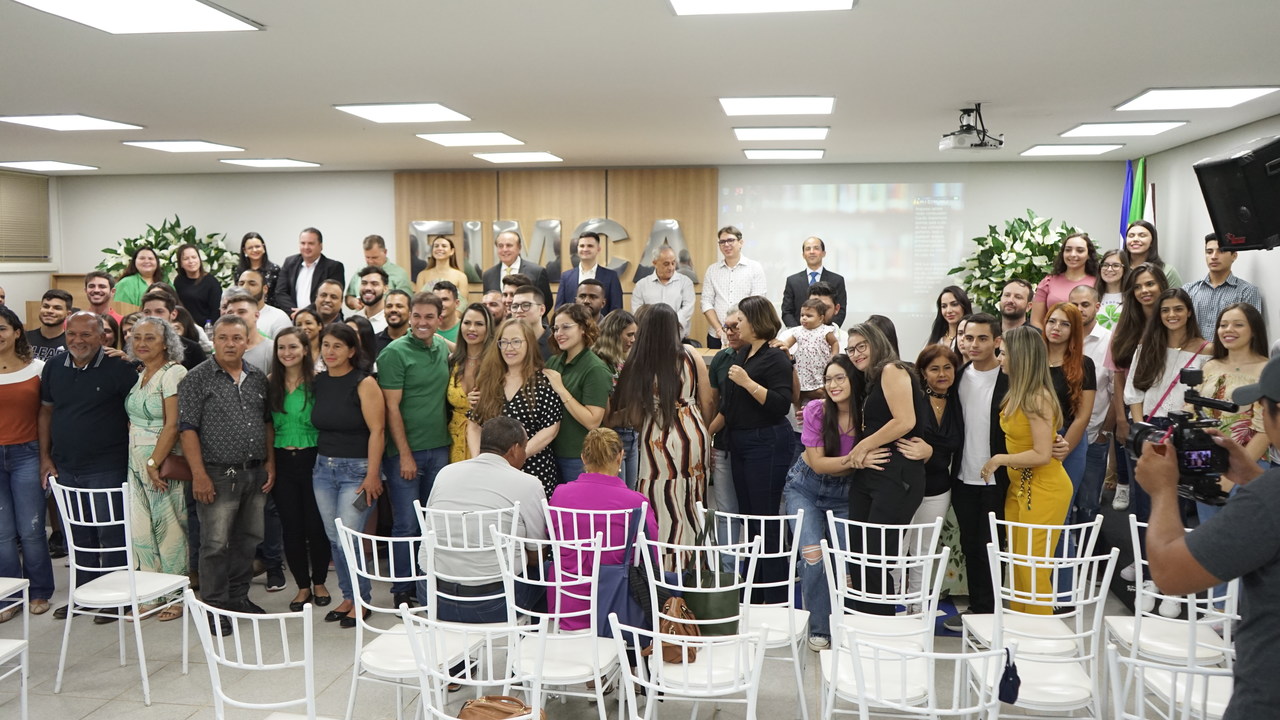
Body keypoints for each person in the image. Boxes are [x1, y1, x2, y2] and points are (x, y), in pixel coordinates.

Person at [1136, 355, 1280, 720]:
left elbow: (1170, 573)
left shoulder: (1269, 500)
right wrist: (1253, 477)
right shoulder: (1268, 494)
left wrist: (1162, 490)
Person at [41, 313, 143, 622]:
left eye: (86, 334)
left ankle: (115, 599)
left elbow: (139, 411)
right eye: (72, 334)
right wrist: (45, 457)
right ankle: (83, 595)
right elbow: (46, 412)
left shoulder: (120, 368)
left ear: (103, 337)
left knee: (111, 534)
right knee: (77, 536)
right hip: (64, 466)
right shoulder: (53, 366)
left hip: (106, 466)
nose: (77, 340)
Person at [781, 355, 885, 650]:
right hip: (805, 487)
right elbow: (818, 464)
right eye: (828, 379)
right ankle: (820, 628)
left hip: (847, 493)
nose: (833, 385)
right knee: (813, 555)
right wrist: (856, 459)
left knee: (847, 562)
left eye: (840, 378)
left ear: (854, 380)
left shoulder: (867, 413)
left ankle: (846, 625)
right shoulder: (817, 409)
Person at [178, 315, 275, 620]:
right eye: (223, 338)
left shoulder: (257, 377)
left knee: (248, 540)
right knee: (215, 544)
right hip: (217, 473)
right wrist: (199, 475)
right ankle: (214, 606)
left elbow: (267, 423)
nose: (230, 344)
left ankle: (238, 598)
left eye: (236, 338)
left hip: (254, 471)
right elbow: (187, 430)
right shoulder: (197, 378)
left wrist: (270, 462)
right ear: (214, 340)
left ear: (247, 342)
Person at [980, 326, 1072, 615]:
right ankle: (1020, 628)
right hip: (1020, 487)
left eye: (1004, 353)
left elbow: (1042, 454)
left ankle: (1039, 635)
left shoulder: (1037, 398)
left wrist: (999, 459)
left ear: (1020, 357)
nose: (999, 358)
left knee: (1033, 570)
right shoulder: (1017, 393)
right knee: (1019, 566)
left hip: (1044, 489)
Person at [422, 416, 549, 623]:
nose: (525, 455)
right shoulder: (528, 484)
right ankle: (528, 640)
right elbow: (537, 555)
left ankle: (463, 649)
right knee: (547, 571)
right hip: (494, 603)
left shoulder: (446, 473)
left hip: (433, 598)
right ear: (515, 449)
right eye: (525, 448)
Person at [613, 302, 712, 555]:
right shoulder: (691, 354)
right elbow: (708, 401)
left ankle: (662, 562)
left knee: (658, 496)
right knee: (694, 496)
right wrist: (703, 430)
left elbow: (634, 415)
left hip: (655, 435)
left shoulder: (639, 361)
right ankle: (695, 560)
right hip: (692, 431)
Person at [844, 322, 926, 614]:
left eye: (861, 346)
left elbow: (905, 421)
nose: (855, 354)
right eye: (850, 349)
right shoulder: (870, 380)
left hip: (896, 477)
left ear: (877, 343)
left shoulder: (893, 370)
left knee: (876, 558)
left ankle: (880, 625)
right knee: (858, 555)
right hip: (869, 476)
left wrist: (862, 446)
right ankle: (862, 620)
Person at [377, 292, 452, 608]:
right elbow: (391, 408)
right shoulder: (394, 353)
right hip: (406, 453)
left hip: (441, 448)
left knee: (433, 523)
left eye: (429, 317)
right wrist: (404, 454)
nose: (422, 322)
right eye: (417, 316)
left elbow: (469, 353)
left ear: (439, 319)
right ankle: (402, 589)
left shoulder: (442, 348)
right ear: (410, 317)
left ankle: (427, 583)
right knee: (406, 523)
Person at [310, 322, 384, 627]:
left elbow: (378, 431)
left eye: (338, 346)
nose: (330, 351)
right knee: (334, 539)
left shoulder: (364, 383)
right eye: (326, 345)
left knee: (348, 540)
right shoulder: (319, 382)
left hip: (357, 471)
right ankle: (349, 597)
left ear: (352, 351)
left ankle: (362, 600)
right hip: (322, 471)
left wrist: (373, 475)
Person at [547, 427, 658, 627]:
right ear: (620, 457)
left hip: (566, 604)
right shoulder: (636, 502)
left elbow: (551, 537)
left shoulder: (560, 495)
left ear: (583, 457)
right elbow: (651, 557)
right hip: (619, 610)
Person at [1121, 288, 1210, 529]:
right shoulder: (1147, 346)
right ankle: (1142, 552)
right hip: (1147, 426)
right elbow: (1134, 392)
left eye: (1178, 309)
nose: (1172, 315)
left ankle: (1173, 552)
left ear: (1189, 312)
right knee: (1143, 500)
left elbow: (1203, 396)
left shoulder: (1206, 350)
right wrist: (1141, 430)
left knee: (1176, 501)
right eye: (1166, 310)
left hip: (1182, 431)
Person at [722, 295, 793, 594]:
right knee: (750, 518)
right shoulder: (744, 354)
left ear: (756, 321)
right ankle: (756, 587)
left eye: (741, 319)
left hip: (767, 442)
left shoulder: (775, 356)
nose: (737, 325)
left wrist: (748, 383)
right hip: (741, 442)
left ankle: (774, 592)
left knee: (765, 519)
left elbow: (781, 403)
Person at [943, 313, 1007, 631]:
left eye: (982, 338)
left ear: (997, 341)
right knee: (970, 546)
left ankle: (991, 613)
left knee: (991, 547)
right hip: (963, 476)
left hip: (999, 479)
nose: (973, 344)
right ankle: (979, 609)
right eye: (968, 338)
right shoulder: (956, 377)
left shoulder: (1010, 378)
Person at [123, 316, 189, 621]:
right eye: (137, 337)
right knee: (142, 530)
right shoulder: (141, 373)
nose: (142, 343)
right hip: (135, 460)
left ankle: (176, 595)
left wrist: (153, 462)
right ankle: (151, 594)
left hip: (162, 461)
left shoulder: (173, 373)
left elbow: (173, 424)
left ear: (166, 343)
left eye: (150, 338)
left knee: (169, 528)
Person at [266, 327, 332, 612]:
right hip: (283, 460)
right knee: (291, 528)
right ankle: (302, 586)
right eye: (281, 347)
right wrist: (270, 464)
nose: (287, 353)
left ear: (305, 349)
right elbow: (268, 427)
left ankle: (320, 582)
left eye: (293, 347)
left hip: (314, 459)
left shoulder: (319, 382)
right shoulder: (271, 382)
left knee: (316, 526)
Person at [468, 319, 564, 495]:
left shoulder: (544, 380)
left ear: (529, 344)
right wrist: (479, 460)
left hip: (533, 468)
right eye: (503, 342)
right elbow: (474, 425)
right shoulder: (489, 380)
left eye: (516, 341)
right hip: (491, 471)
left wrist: (516, 458)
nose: (509, 348)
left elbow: (551, 429)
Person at [1194, 303, 1270, 521]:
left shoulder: (1267, 370)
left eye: (1238, 325)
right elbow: (1193, 410)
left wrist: (1232, 476)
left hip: (1248, 462)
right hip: (1205, 461)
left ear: (1254, 330)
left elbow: (1265, 429)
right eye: (1223, 325)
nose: (1228, 330)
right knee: (1207, 531)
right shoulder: (1209, 365)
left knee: (1243, 533)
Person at [0, 306, 53, 619]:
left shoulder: (38, 368)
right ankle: (9, 597)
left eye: (2, 329)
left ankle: (39, 591)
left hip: (27, 454)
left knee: (31, 529)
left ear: (17, 332)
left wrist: (47, 456)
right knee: (3, 534)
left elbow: (48, 413)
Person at [1107, 262, 1169, 513]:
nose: (1144, 291)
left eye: (1150, 284)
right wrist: (1121, 420)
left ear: (1162, 285)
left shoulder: (1172, 322)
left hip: (1166, 413)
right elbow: (1118, 376)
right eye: (1138, 286)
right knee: (1141, 488)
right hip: (1133, 413)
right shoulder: (1125, 326)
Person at [906, 344, 963, 605]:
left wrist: (930, 453)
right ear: (923, 372)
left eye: (948, 368)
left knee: (924, 553)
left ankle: (917, 609)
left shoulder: (958, 402)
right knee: (898, 552)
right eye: (934, 369)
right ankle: (894, 611)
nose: (942, 374)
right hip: (906, 486)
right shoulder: (913, 400)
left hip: (939, 489)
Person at [544, 304, 614, 483]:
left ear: (583, 328)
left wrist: (561, 389)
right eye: (556, 328)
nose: (559, 333)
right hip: (550, 451)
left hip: (579, 457)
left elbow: (592, 421)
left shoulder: (595, 368)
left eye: (566, 327)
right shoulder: (554, 362)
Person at [1042, 302, 1096, 507]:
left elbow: (1083, 417)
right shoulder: (1033, 360)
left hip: (1069, 437)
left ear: (1074, 329)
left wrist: (1063, 450)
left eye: (1065, 324)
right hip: (1034, 438)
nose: (1056, 328)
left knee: (1061, 508)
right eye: (1052, 321)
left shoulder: (1084, 364)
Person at [1069, 285, 1114, 525]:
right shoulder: (1059, 337)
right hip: (1060, 437)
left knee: (1088, 504)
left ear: (1097, 307)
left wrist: (1105, 432)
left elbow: (1116, 392)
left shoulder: (1110, 341)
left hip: (1094, 435)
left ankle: (1088, 547)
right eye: (1074, 304)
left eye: (1085, 304)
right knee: (1063, 502)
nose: (1079, 310)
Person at [1183, 233, 1264, 341]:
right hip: (1192, 350)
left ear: (1234, 255)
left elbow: (1252, 331)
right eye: (1209, 252)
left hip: (1228, 351)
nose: (1214, 257)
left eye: (1221, 251)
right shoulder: (1189, 290)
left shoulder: (1247, 291)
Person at [702, 226, 767, 349]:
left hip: (746, 335)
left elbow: (757, 303)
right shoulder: (712, 270)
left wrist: (740, 328)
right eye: (722, 242)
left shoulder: (754, 268)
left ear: (741, 242)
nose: (726, 245)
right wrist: (719, 329)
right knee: (717, 361)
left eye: (730, 240)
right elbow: (706, 302)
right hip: (717, 335)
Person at [596, 310, 639, 488]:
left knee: (631, 493)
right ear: (614, 334)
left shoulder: (625, 360)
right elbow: (607, 420)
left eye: (635, 335)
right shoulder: (600, 365)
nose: (633, 340)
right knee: (617, 494)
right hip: (612, 437)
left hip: (631, 434)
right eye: (629, 335)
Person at [446, 303, 494, 462]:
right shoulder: (452, 361)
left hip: (486, 441)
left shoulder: (497, 363)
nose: (471, 329)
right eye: (467, 323)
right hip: (453, 441)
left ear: (488, 328)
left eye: (479, 324)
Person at [779, 298, 840, 411]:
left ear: (821, 318)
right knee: (799, 392)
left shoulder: (825, 331)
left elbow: (834, 343)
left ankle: (821, 410)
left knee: (822, 391)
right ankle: (799, 411)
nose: (804, 318)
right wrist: (779, 345)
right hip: (803, 369)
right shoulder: (798, 331)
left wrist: (834, 356)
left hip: (819, 367)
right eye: (802, 315)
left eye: (809, 316)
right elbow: (786, 344)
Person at [1029, 233, 1099, 329]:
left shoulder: (1098, 283)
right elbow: (1036, 321)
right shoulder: (1048, 282)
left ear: (1089, 255)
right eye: (1068, 250)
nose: (1073, 254)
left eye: (1080, 250)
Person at [274, 227, 346, 316]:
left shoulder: (334, 267)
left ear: (321, 246)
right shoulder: (289, 262)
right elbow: (280, 292)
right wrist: (295, 313)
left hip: (323, 318)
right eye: (303, 243)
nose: (306, 247)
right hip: (293, 317)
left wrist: (306, 312)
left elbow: (333, 296)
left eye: (311, 243)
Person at [481, 230, 553, 319]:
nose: (504, 249)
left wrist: (530, 321)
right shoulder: (488, 275)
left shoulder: (537, 272)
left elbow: (547, 302)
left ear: (519, 248)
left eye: (509, 245)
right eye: (500, 246)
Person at [780, 236, 848, 329]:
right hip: (798, 333)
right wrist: (799, 332)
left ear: (823, 253)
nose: (812, 252)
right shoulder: (792, 281)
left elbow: (841, 310)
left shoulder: (837, 280)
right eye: (808, 249)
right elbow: (787, 311)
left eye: (816, 248)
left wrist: (827, 331)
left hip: (827, 333)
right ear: (803, 255)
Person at [631, 245, 695, 338]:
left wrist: (670, 323)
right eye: (666, 264)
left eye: (673, 263)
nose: (671, 267)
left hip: (677, 336)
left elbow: (688, 308)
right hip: (649, 335)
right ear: (654, 263)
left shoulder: (685, 282)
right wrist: (654, 324)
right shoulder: (641, 285)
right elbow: (637, 311)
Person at [554, 232, 623, 316]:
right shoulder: (566, 276)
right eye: (582, 246)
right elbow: (559, 308)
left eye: (590, 246)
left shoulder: (611, 276)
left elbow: (616, 310)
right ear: (577, 248)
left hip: (602, 324)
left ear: (598, 249)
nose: (585, 249)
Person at [140, 290, 208, 372]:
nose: (152, 316)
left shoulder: (192, 350)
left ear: (173, 314)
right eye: (147, 312)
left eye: (159, 311)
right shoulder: (135, 347)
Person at [343, 235, 413, 311]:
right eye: (367, 257)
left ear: (385, 252)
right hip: (362, 316)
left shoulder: (399, 274)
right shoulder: (360, 271)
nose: (370, 261)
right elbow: (348, 297)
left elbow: (407, 304)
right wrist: (353, 302)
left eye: (374, 257)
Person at [223, 290, 273, 372]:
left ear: (256, 315)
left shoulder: (272, 349)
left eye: (241, 312)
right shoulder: (221, 348)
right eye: (230, 313)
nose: (235, 316)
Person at [1122, 220, 1182, 289]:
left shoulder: (1167, 271)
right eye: (1131, 236)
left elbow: (1176, 296)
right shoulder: (1117, 269)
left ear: (1152, 241)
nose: (1135, 239)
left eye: (1142, 235)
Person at [174, 243, 222, 327]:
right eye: (186, 259)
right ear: (181, 263)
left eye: (194, 257)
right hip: (185, 327)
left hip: (206, 328)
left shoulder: (211, 282)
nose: (191, 261)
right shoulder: (178, 281)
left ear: (199, 259)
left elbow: (216, 311)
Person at [236, 268, 292, 339]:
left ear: (265, 289)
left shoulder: (279, 318)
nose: (245, 287)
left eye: (252, 284)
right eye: (241, 284)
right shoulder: (230, 316)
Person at [415, 235, 470, 300]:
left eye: (444, 246)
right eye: (436, 246)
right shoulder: (422, 275)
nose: (439, 249)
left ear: (452, 251)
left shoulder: (461, 276)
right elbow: (418, 301)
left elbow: (462, 303)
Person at [235, 233, 281, 308]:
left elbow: (279, 295)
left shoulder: (274, 269)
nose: (254, 250)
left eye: (257, 246)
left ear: (263, 247)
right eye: (250, 248)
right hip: (245, 309)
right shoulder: (239, 270)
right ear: (244, 250)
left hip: (270, 310)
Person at [26, 289, 71, 361]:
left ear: (68, 314)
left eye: (57, 308)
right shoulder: (24, 338)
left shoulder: (72, 343)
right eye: (46, 306)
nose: (49, 311)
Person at [511, 286, 552, 360]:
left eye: (526, 305)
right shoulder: (506, 342)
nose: (519, 310)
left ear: (542, 310)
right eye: (515, 306)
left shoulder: (555, 343)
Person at [926, 285, 972, 350]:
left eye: (954, 304)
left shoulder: (973, 340)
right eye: (944, 306)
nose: (949, 311)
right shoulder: (935, 340)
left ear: (964, 306)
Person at [1095, 248, 1129, 329]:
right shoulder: (1093, 295)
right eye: (1105, 265)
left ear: (1124, 269)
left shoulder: (1131, 296)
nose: (1109, 269)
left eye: (1116, 265)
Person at [350, 266, 389, 333]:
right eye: (364, 283)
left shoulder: (389, 321)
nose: (368, 288)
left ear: (385, 289)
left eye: (374, 284)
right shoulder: (354, 320)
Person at [375, 289, 412, 353]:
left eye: (399, 306)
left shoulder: (419, 340)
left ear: (410, 312)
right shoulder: (373, 341)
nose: (393, 310)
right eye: (389, 306)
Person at [293, 307, 325, 372]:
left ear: (319, 326)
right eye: (299, 325)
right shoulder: (292, 352)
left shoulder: (328, 350)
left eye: (308, 323)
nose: (303, 327)